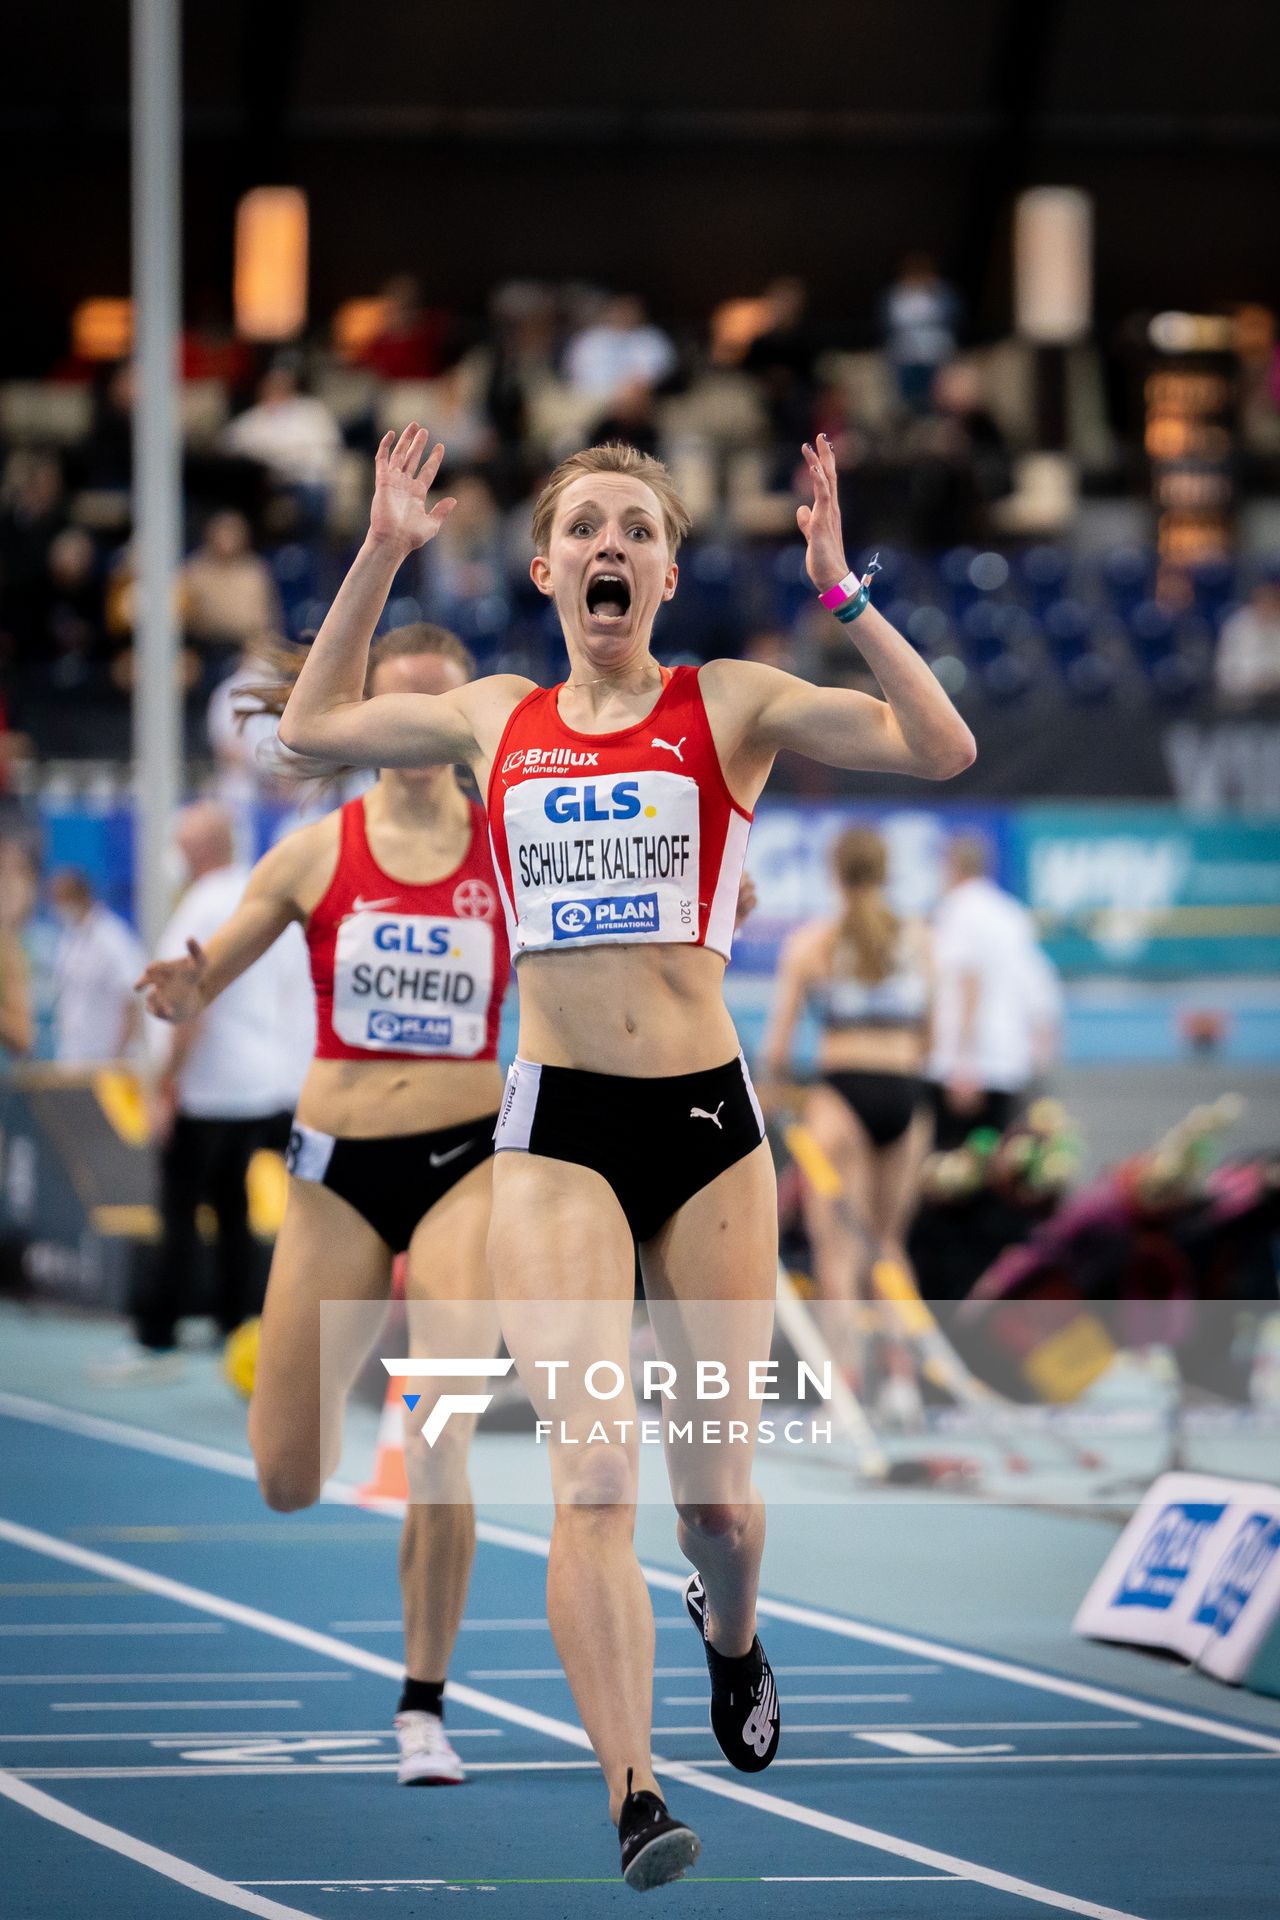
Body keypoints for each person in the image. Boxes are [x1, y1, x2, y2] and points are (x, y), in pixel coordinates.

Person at [277, 423, 974, 1888]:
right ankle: (635, 1792)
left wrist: (844, 593)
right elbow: (312, 728)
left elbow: (940, 745)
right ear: (546, 569)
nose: (610, 547)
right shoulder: (493, 716)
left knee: (714, 1504)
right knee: (594, 1476)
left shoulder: (729, 705)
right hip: (558, 1135)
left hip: (709, 1129)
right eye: (585, 526)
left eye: (635, 530)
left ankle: (732, 1633)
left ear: (663, 571)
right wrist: (383, 550)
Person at [137, 625, 507, 1788]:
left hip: (469, 1164)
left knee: (442, 1445)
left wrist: (720, 892)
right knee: (288, 1477)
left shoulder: (509, 850)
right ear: (356, 717)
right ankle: (331, 1453)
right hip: (337, 1171)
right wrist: (184, 983)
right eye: (390, 708)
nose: (411, 733)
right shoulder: (310, 855)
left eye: (435, 711)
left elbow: (640, 910)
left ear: (464, 724)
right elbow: (215, 965)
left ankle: (422, 1706)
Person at [93, 803, 301, 1384]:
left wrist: (167, 1085)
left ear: (201, 847)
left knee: (179, 1212)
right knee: (233, 1210)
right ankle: (235, 1324)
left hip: (211, 1088)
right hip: (263, 1083)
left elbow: (190, 1006)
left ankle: (156, 1337)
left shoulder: (206, 905)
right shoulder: (261, 895)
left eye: (182, 843)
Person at [759, 826, 933, 1379]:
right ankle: (902, 1385)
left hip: (842, 1099)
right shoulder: (922, 940)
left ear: (835, 875)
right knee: (889, 1246)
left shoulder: (814, 942)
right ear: (886, 872)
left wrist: (773, 1099)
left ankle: (847, 1385)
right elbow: (933, 1037)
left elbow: (778, 1049)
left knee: (839, 1255)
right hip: (905, 1096)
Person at [927, 834, 1058, 1151]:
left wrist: (964, 1062)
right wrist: (1041, 1045)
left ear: (951, 867)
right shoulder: (1011, 913)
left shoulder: (958, 910)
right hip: (1008, 1062)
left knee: (952, 1171)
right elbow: (1038, 985)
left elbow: (970, 982)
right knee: (997, 1167)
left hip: (968, 1067)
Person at [50, 868, 145, 1064]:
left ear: (82, 896)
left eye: (63, 899)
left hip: (109, 1060)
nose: (58, 907)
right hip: (74, 1057)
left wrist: (116, 1058)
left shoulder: (112, 938)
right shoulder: (69, 938)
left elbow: (131, 1000)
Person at [1215, 579, 1280, 710]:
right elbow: (1225, 666)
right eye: (1263, 602)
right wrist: (1250, 682)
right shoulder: (1237, 625)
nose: (1266, 606)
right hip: (1242, 695)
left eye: (1271, 602)